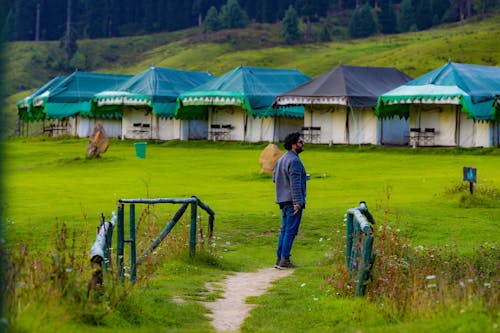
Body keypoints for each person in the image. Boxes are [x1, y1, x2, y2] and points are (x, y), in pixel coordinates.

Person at [273, 132, 307, 269]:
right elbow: (295, 183)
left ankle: (279, 258)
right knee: (291, 231)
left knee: (284, 230)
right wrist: (298, 202)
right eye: (300, 142)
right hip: (292, 201)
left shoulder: (281, 159)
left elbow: (275, 179)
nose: (302, 143)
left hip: (282, 199)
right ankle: (285, 260)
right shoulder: (295, 161)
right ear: (293, 145)